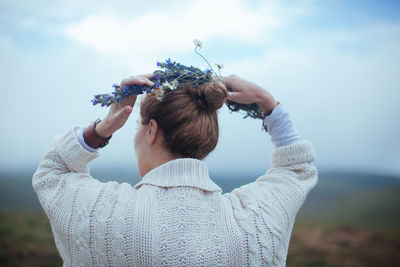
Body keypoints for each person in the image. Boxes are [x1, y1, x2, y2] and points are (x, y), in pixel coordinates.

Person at [33, 73, 318, 266]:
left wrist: (102, 128)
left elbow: (53, 172)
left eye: (137, 126)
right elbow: (296, 168)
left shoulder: (103, 213)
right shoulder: (253, 222)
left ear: (151, 130)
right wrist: (269, 105)